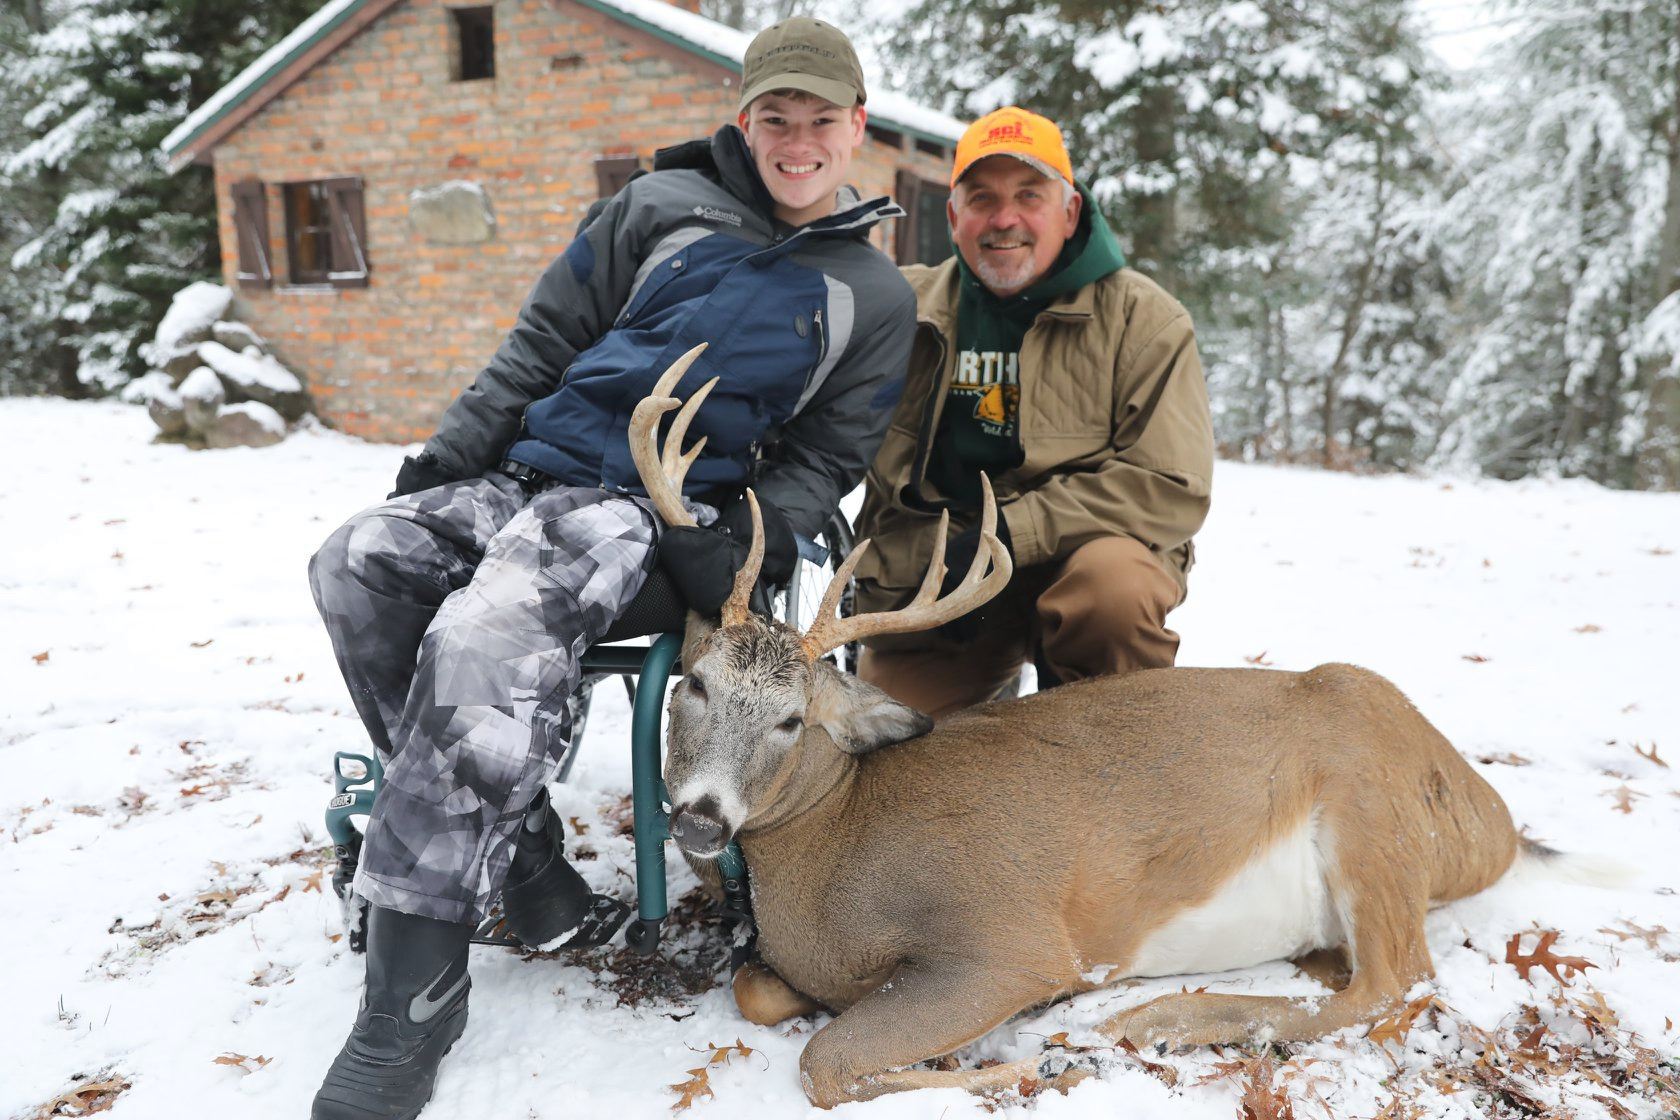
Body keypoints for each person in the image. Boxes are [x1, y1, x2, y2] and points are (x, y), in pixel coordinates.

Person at [305, 18, 915, 1119]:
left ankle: (412, 995)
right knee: (359, 560)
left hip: (655, 520)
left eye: (821, 120)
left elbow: (826, 463)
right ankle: (524, 854)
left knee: (485, 636)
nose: (798, 141)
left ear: (857, 127)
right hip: (528, 475)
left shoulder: (871, 293)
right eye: (776, 117)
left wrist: (737, 541)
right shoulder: (656, 205)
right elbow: (543, 342)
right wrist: (443, 463)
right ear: (745, 120)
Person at [852, 106, 1213, 719]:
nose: (1004, 219)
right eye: (982, 198)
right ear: (954, 216)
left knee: (1111, 593)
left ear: (1070, 212)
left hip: (1085, 570)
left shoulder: (1145, 321)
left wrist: (1008, 536)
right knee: (878, 741)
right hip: (943, 579)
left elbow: (1170, 485)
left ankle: (1117, 743)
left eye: (1029, 195)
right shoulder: (901, 308)